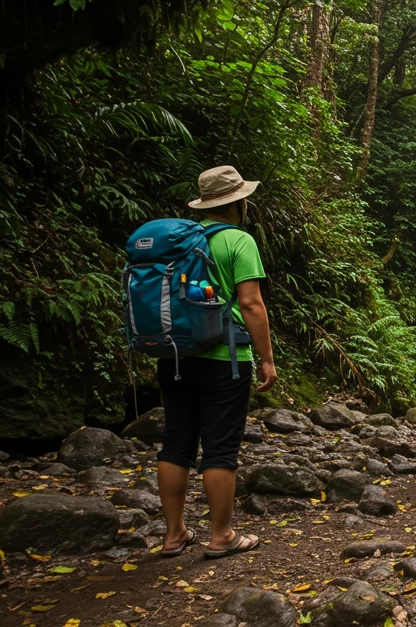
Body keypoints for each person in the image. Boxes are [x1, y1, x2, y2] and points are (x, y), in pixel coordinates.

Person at [157, 165, 277, 559]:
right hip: (225, 358)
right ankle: (221, 535)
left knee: (176, 444)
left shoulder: (179, 242)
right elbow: (250, 303)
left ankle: (174, 534)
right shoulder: (237, 241)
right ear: (239, 202)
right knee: (221, 447)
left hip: (174, 354)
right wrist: (267, 359)